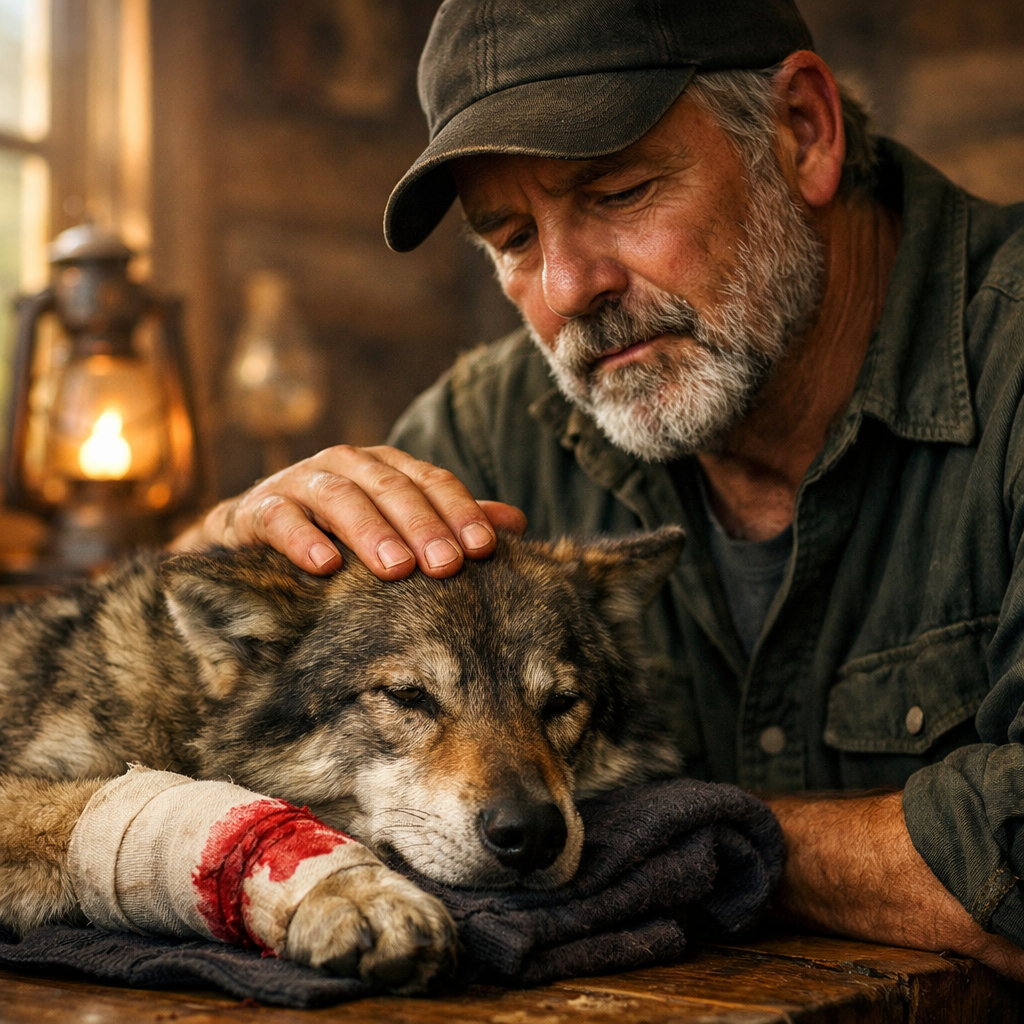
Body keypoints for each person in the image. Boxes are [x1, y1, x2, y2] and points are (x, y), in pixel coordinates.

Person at [172, 0, 1024, 980]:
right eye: (510, 238)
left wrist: (676, 833)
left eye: (618, 191)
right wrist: (240, 535)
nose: (567, 288)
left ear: (801, 131)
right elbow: (223, 683)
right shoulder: (488, 428)